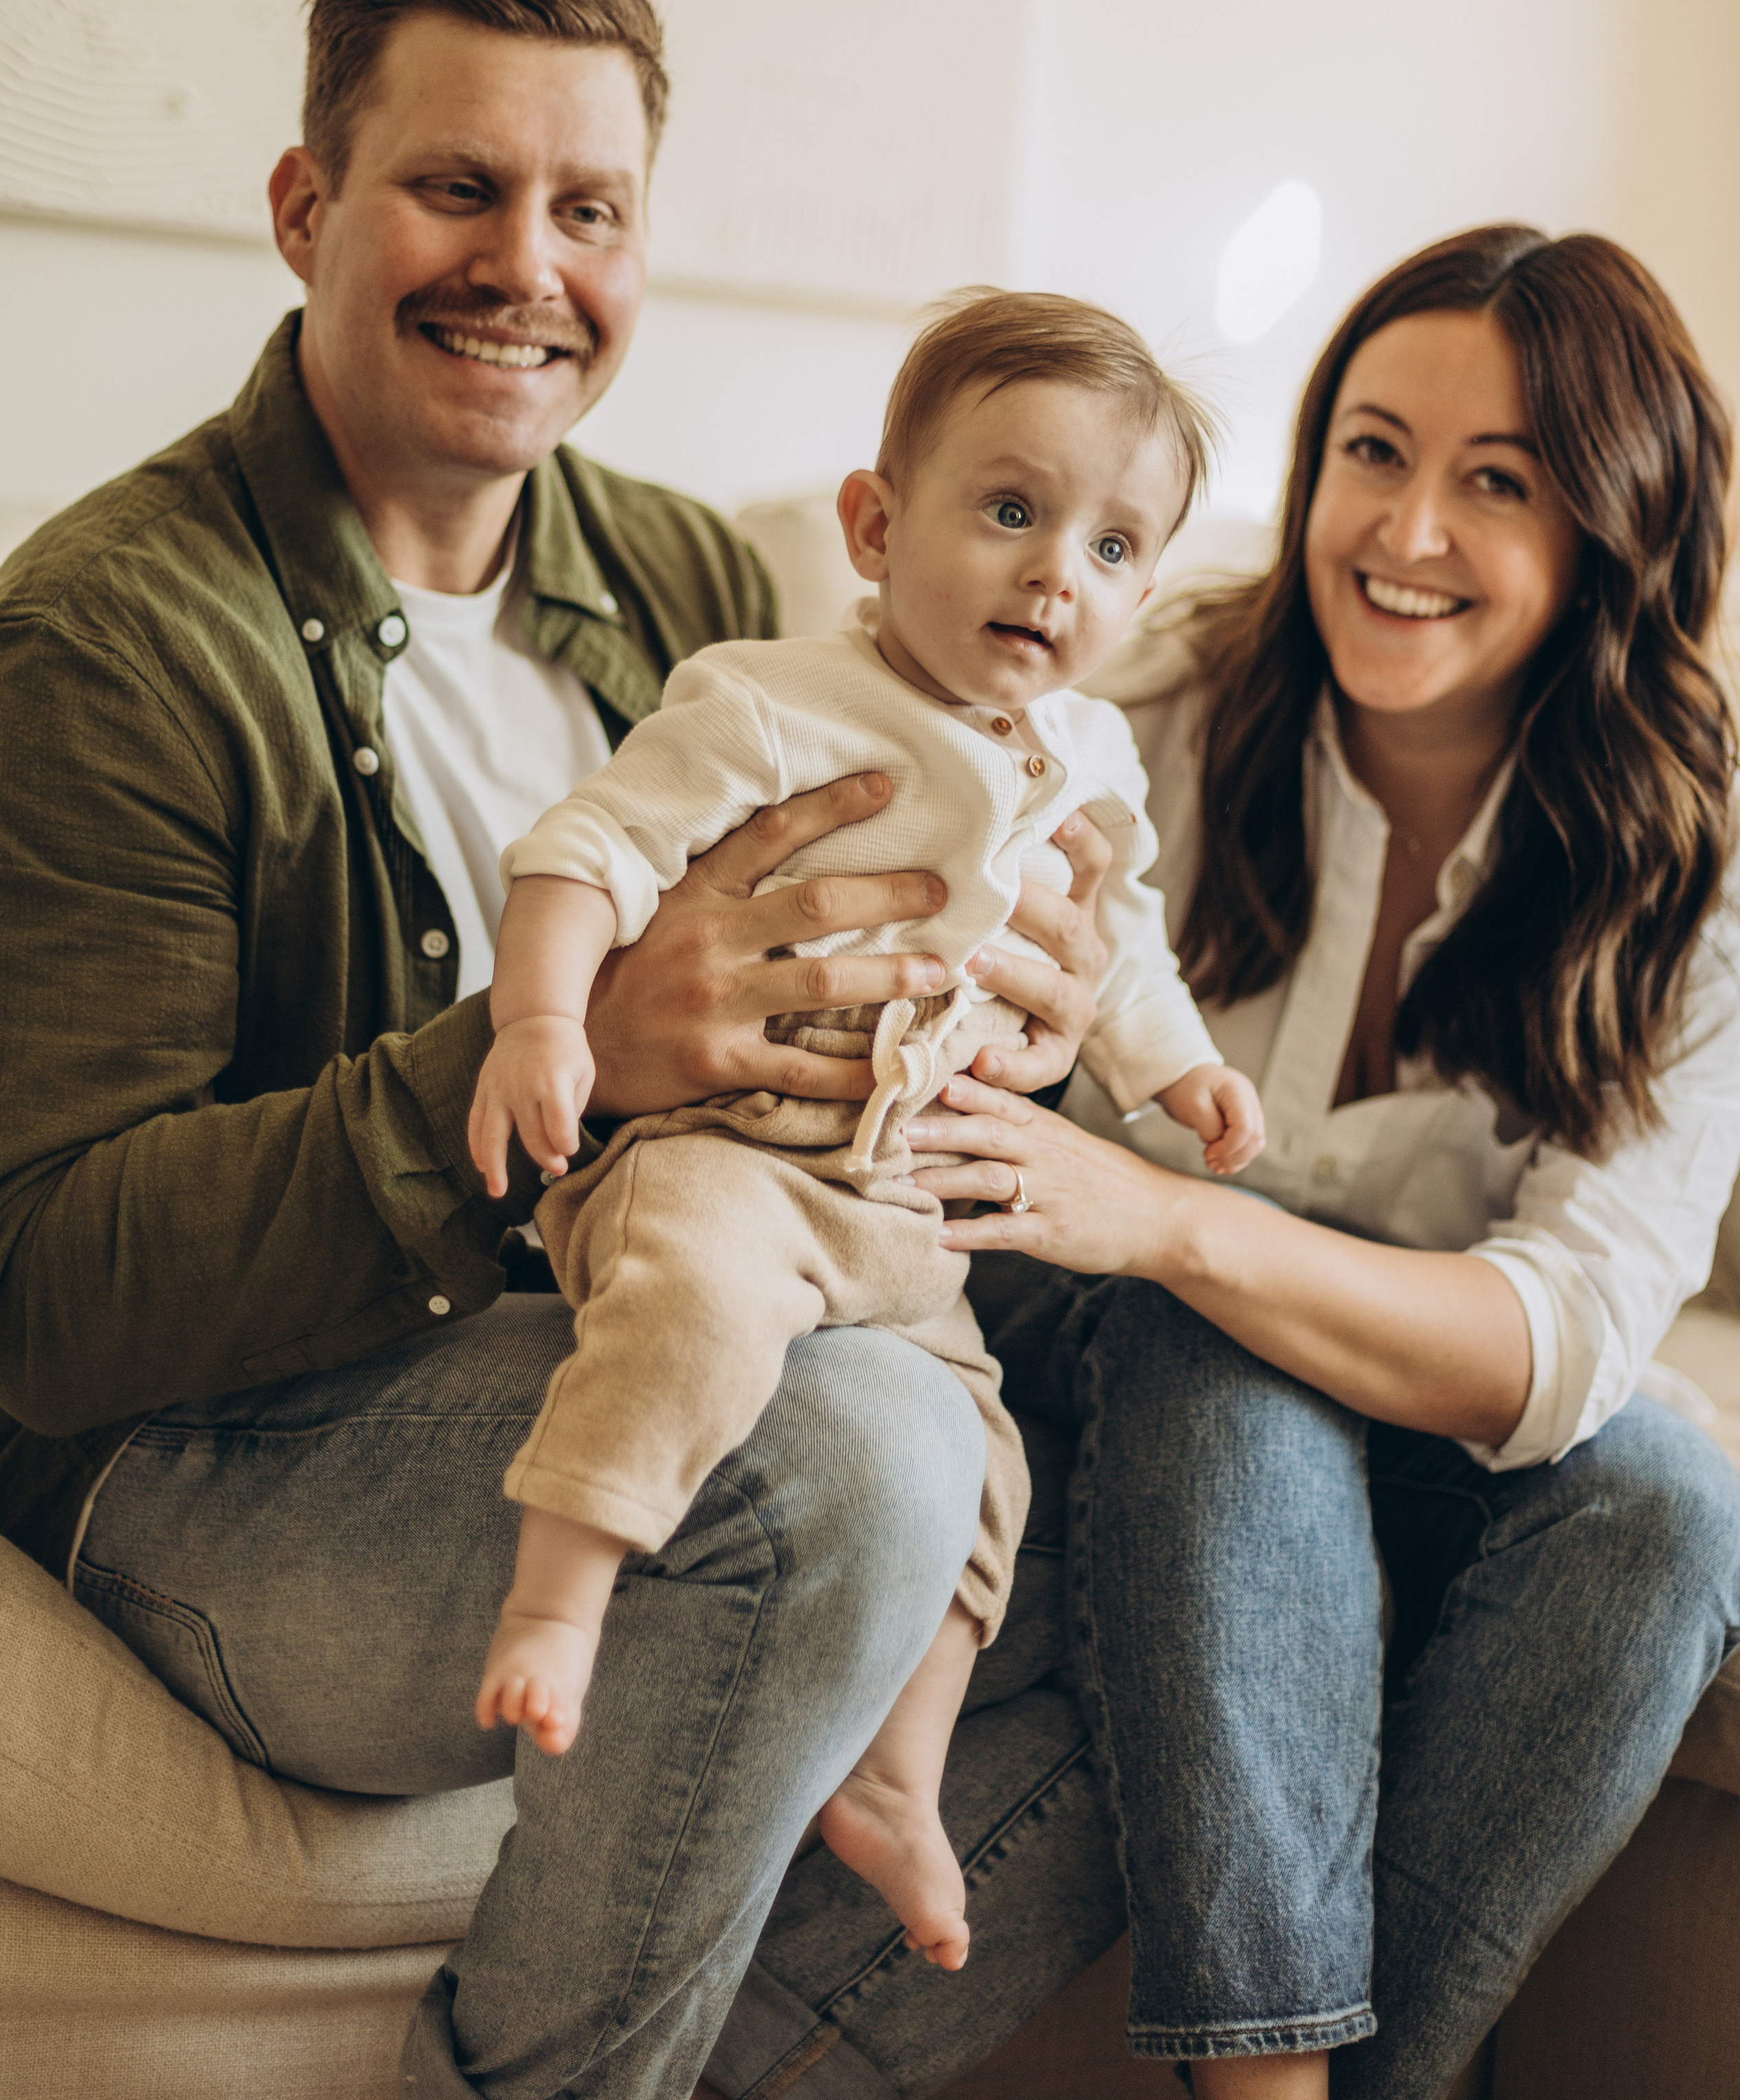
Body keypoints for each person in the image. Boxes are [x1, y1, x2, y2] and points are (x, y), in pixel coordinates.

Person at [0, 0, 1116, 2100]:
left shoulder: (682, 577)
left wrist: (1022, 1010)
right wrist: (575, 1058)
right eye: (458, 186)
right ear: (306, 207)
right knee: (846, 1462)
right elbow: (44, 1293)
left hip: (641, 1303)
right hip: (211, 1443)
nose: (527, 265)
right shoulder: (110, 643)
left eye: (588, 208)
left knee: (1189, 1442)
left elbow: (867, 970)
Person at [830, 223, 1740, 2098]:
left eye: (1496, 482)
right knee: (1217, 1346)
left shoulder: (1694, 847)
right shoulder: (1144, 700)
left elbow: (1569, 1336)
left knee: (1670, 1506)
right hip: (1079, 1337)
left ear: (1612, 529)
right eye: (1371, 451)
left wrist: (1180, 1221)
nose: (1403, 531)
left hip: (1336, 1361)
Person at [465, 291, 1265, 1971]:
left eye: (1112, 546)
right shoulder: (772, 702)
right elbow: (584, 853)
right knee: (692, 1309)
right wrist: (541, 1023)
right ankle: (560, 1593)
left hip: (897, 1202)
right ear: (874, 527)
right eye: (1009, 510)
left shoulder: (1091, 752)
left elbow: (1118, 947)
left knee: (980, 1459)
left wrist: (1175, 1071)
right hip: (724, 1152)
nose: (1055, 574)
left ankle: (897, 1774)